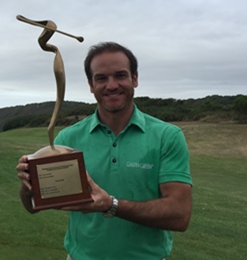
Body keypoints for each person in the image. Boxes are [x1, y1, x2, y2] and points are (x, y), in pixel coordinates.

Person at [16, 42, 192, 259]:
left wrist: (111, 205)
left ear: (134, 79)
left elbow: (179, 215)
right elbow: (33, 206)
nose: (111, 85)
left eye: (120, 75)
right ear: (91, 85)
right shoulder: (68, 139)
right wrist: (28, 185)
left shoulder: (167, 137)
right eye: (101, 78)